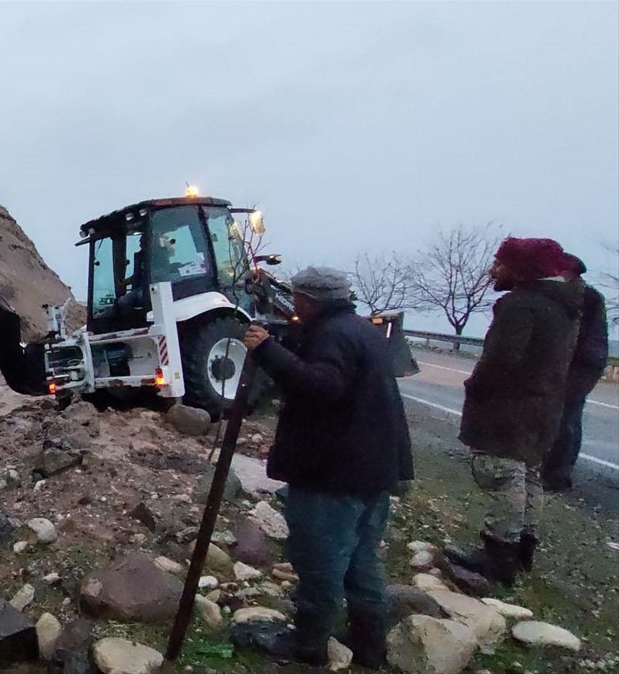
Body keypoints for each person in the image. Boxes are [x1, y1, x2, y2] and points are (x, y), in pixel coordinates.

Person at [241, 266, 413, 668]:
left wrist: (267, 350)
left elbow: (323, 386)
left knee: (319, 559)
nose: (294, 305)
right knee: (362, 559)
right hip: (371, 468)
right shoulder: (360, 329)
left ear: (308, 299)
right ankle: (369, 645)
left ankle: (308, 645)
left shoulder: (333, 334)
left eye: (298, 298)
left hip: (333, 471)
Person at [445, 238, 582, 585]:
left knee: (504, 474)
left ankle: (497, 556)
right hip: (546, 407)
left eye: (501, 263)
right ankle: (522, 550)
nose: (494, 270)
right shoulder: (565, 307)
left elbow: (502, 361)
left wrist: (475, 387)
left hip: (510, 409)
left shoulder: (521, 306)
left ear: (521, 269)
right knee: (529, 475)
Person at [543, 254, 610, 492]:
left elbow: (582, 337)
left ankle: (558, 474)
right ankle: (551, 468)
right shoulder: (578, 294)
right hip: (579, 362)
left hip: (581, 365)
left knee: (566, 418)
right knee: (562, 415)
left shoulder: (584, 297)